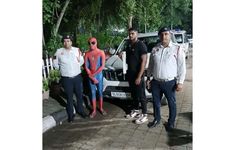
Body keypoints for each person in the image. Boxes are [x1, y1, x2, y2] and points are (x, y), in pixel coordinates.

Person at [146, 27, 186, 131]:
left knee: (171, 103)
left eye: (166, 34)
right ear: (159, 36)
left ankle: (171, 122)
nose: (164, 36)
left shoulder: (177, 48)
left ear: (170, 35)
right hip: (155, 82)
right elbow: (150, 65)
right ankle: (157, 119)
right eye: (162, 34)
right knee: (156, 102)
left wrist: (180, 82)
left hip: (170, 82)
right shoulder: (155, 49)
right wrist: (148, 78)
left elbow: (182, 66)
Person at [53, 35, 87, 123]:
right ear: (62, 42)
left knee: (79, 95)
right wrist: (64, 69)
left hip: (77, 77)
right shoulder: (59, 52)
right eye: (64, 41)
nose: (66, 43)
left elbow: (81, 61)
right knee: (69, 97)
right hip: (66, 79)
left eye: (68, 41)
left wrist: (74, 68)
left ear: (71, 42)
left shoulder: (77, 50)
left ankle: (81, 110)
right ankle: (71, 115)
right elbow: (55, 64)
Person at [125, 27, 148, 124]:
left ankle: (145, 114)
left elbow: (144, 61)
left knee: (141, 95)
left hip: (138, 75)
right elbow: (130, 61)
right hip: (130, 74)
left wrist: (139, 76)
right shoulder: (129, 46)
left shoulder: (141, 45)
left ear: (137, 34)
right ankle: (136, 110)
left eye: (133, 33)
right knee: (134, 95)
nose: (131, 35)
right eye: (130, 34)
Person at [84, 37, 107, 118]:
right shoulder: (87, 53)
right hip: (91, 76)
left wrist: (93, 75)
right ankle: (94, 110)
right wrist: (91, 76)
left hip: (98, 76)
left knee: (100, 92)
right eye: (89, 43)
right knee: (92, 93)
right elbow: (86, 66)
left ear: (96, 43)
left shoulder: (101, 52)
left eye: (93, 43)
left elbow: (102, 66)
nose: (91, 45)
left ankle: (100, 108)